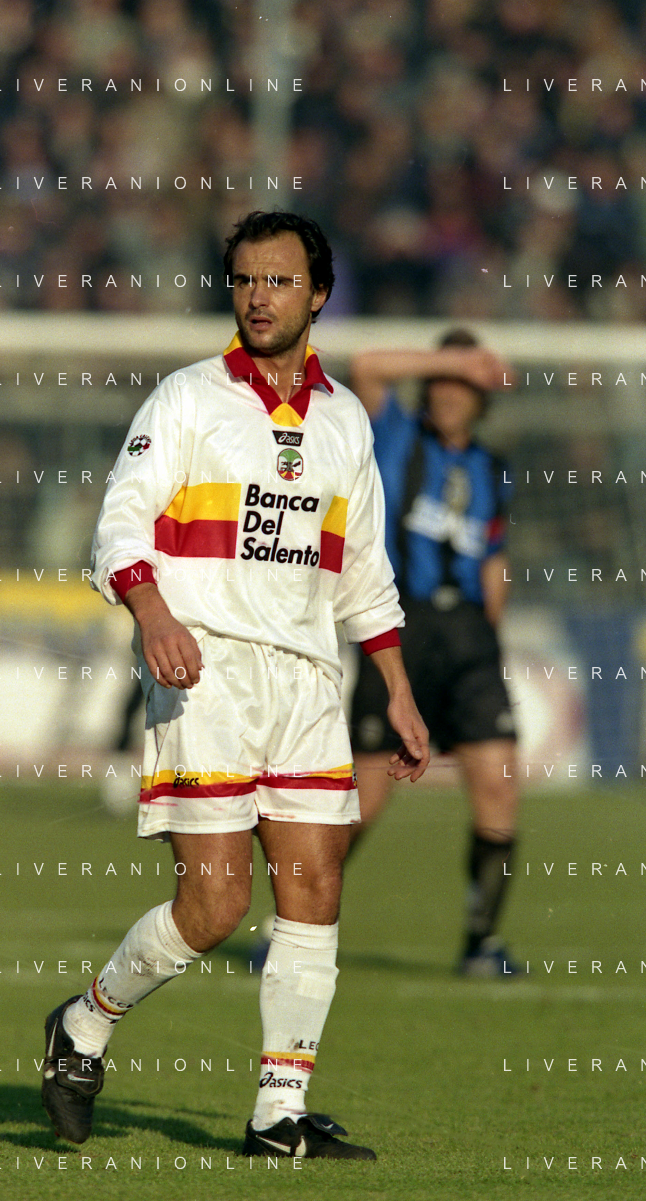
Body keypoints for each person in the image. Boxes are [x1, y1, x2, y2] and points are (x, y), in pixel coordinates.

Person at [40, 210, 429, 1160]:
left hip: (308, 680)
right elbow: (119, 526)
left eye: (279, 280)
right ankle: (84, 1023)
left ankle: (277, 1115)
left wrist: (399, 688)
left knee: (315, 885)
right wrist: (154, 615)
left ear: (319, 294)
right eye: (247, 279)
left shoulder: (345, 419)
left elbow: (363, 570)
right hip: (206, 671)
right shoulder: (186, 398)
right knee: (214, 909)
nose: (259, 297)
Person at [348, 330, 520, 976]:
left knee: (499, 786)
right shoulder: (396, 435)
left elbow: (494, 558)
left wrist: (490, 638)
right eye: (441, 380)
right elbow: (367, 363)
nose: (449, 393)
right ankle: (291, 923)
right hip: (401, 628)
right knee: (364, 800)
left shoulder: (493, 468)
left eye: (463, 384)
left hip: (470, 639)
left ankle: (482, 942)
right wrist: (455, 358)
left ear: (481, 399)